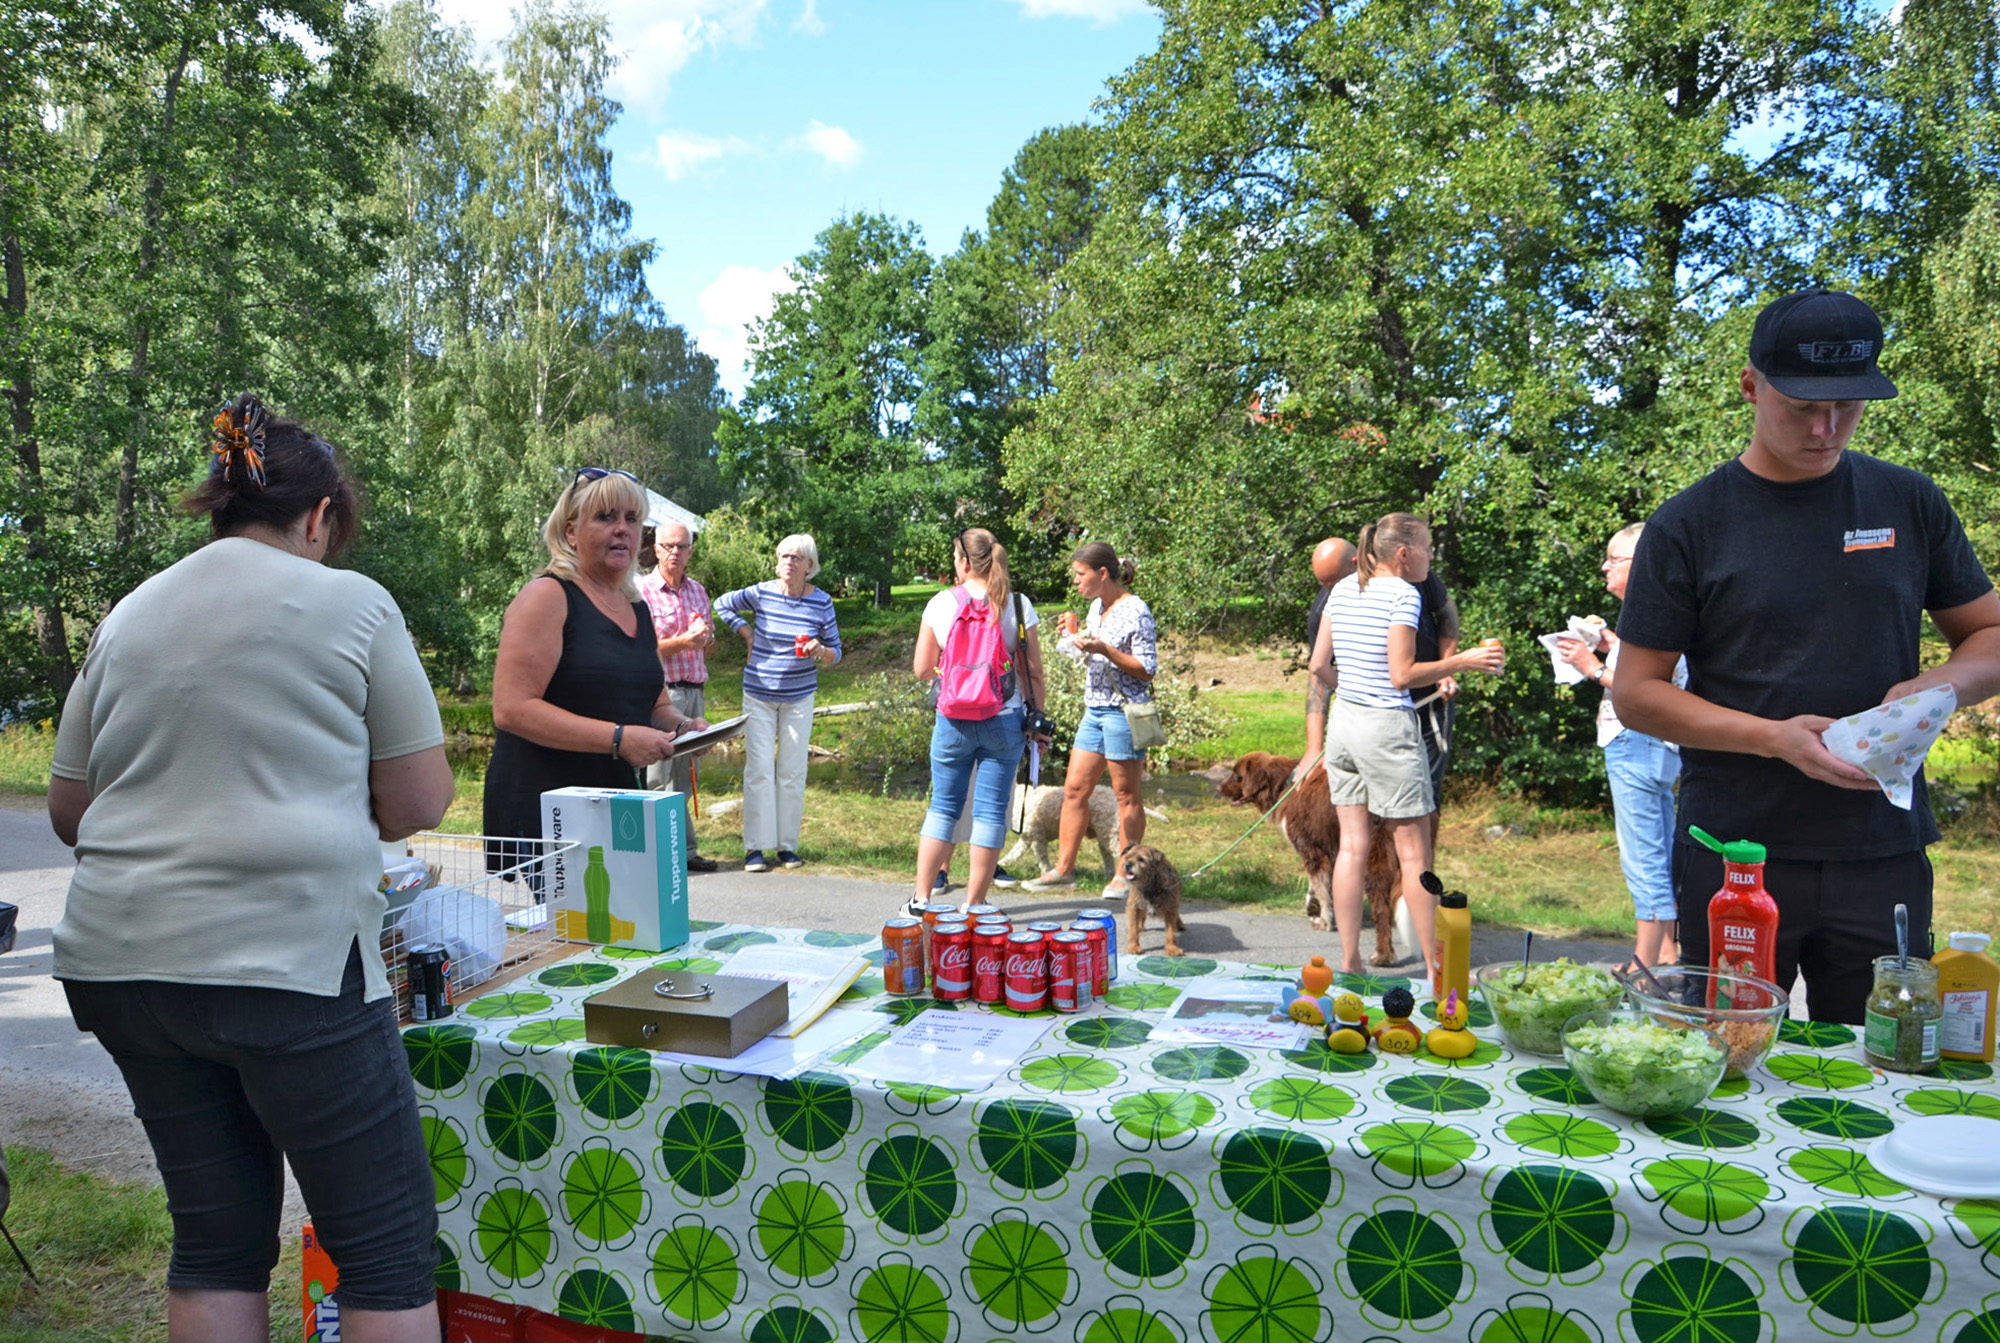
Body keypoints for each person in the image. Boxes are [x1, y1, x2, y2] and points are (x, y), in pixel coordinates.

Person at [47, 395, 455, 1343]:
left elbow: (71, 811)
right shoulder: (355, 602)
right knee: (385, 1253)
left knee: (216, 1243)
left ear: (222, 507)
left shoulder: (131, 611)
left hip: (123, 967)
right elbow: (420, 801)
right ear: (318, 519)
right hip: (293, 968)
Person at [1614, 289, 2000, 1023]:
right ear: (1751, 385)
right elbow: (1636, 692)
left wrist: (1935, 685)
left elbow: (1989, 637)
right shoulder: (1690, 523)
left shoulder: (1909, 501)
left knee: (1885, 1065)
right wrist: (1773, 738)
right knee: (1728, 1064)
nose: (1826, 429)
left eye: (1848, 408)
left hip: (1881, 846)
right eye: (1802, 407)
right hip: (1736, 853)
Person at [1308, 513, 1505, 974]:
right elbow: (1402, 674)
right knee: (1415, 852)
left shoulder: (1341, 589)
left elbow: (1318, 666)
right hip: (1386, 728)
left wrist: (1354, 685)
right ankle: (1436, 969)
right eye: (1429, 548)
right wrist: (1465, 661)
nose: (1432, 557)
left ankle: (1351, 961)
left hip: (1344, 724)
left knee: (1352, 847)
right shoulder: (1402, 593)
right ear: (1404, 553)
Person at [484, 469, 710, 868]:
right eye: (606, 517)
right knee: (576, 931)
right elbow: (511, 708)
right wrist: (618, 738)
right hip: (549, 811)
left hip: (614, 806)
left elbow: (654, 704)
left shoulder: (638, 606)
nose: (622, 529)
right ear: (571, 533)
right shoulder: (548, 596)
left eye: (631, 519)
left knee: (622, 929)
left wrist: (682, 728)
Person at [1556, 523, 1687, 972]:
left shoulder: (1649, 611)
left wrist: (1591, 667)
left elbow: (1653, 687)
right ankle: (1666, 952)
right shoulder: (1665, 609)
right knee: (1662, 848)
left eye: (1615, 558)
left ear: (1643, 562)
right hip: (1657, 744)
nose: (1605, 566)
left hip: (1636, 740)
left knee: (1643, 852)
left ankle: (1645, 965)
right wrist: (1610, 645)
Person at [909, 528, 1049, 911]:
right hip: (1004, 719)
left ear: (964, 562)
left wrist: (955, 676)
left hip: (952, 719)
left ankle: (921, 899)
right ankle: (975, 904)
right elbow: (1032, 671)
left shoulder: (941, 603)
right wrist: (1038, 717)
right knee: (989, 812)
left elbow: (922, 668)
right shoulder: (1017, 604)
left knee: (943, 806)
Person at [1024, 544, 1159, 893]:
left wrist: (1104, 650)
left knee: (1126, 795)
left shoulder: (1136, 610)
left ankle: (1126, 874)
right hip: (1094, 710)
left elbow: (1147, 669)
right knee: (1074, 790)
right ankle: (1063, 871)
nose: (1076, 581)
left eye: (1080, 574)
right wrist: (1075, 643)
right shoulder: (1096, 606)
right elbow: (1095, 658)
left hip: (1122, 713)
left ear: (1102, 574)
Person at [715, 534, 843, 872]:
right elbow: (722, 603)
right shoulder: (761, 592)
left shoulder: (822, 603)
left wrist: (820, 652)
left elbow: (836, 652)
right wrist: (746, 632)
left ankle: (787, 847)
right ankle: (755, 849)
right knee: (758, 770)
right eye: (783, 556)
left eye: (796, 557)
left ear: (809, 565)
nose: (788, 562)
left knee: (791, 771)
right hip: (758, 693)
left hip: (799, 696)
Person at [637, 519, 719, 873]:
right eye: (668, 546)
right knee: (658, 777)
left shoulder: (699, 591)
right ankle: (661, 854)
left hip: (695, 689)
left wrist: (705, 641)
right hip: (662, 694)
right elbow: (641, 650)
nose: (675, 552)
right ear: (655, 549)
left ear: (690, 551)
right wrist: (685, 641)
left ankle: (684, 852)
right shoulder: (641, 591)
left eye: (681, 547)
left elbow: (708, 649)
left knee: (686, 776)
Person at [1298, 538, 1358, 782]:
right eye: (1324, 585)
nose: (1331, 591)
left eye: (1334, 582)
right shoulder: (1324, 607)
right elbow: (1319, 674)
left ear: (1356, 563)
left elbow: (1446, 616)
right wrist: (1314, 747)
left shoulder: (1395, 585)